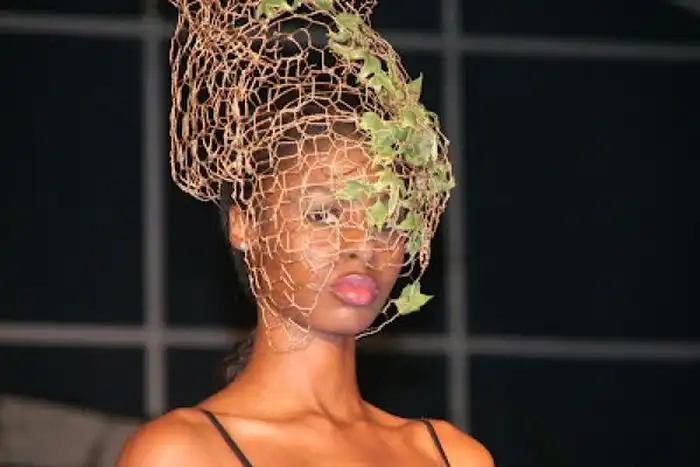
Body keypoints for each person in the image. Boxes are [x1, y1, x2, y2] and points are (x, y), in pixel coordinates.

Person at [118, 0, 494, 465]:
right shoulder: (184, 452)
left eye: (387, 220)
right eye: (324, 215)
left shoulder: (451, 455)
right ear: (245, 225)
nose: (362, 245)